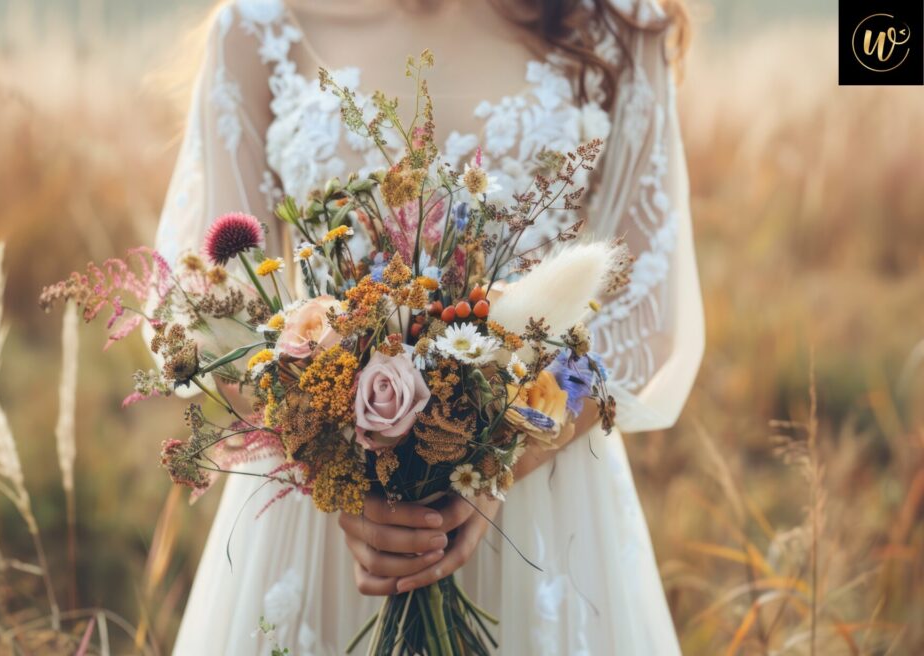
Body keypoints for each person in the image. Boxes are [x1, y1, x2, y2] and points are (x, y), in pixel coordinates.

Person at [154, 0, 702, 653]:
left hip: (541, 511)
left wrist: (498, 465)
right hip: (325, 520)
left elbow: (642, 312)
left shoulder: (616, 23)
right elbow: (209, 309)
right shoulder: (259, 27)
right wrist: (334, 470)